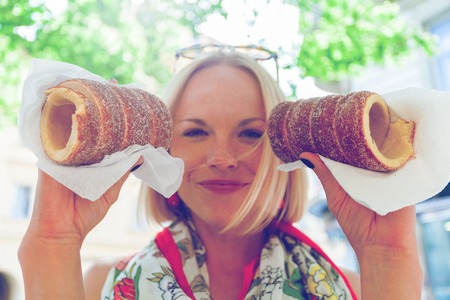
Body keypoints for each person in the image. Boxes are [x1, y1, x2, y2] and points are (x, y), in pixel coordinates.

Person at [18, 46, 423, 300]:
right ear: (161, 149)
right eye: (195, 132)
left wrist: (389, 260)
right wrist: (52, 243)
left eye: (251, 132)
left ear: (284, 151)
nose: (224, 157)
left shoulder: (359, 286)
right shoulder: (95, 287)